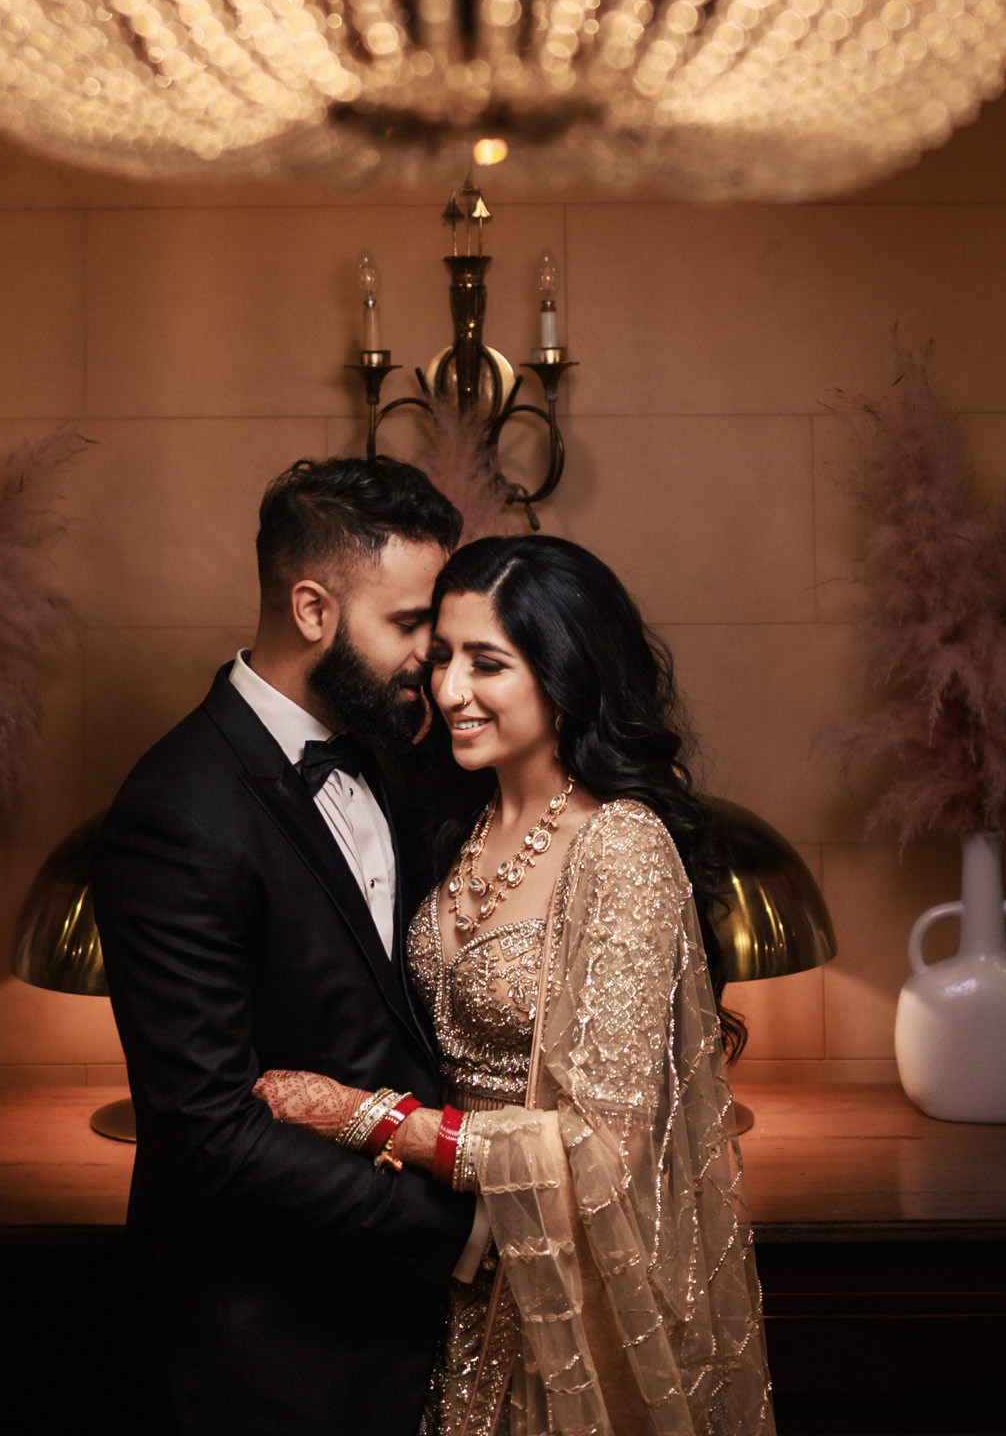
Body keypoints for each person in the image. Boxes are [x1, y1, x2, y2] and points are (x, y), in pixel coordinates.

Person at [255, 533, 776, 1436]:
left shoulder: (620, 847)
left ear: (564, 672)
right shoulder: (448, 821)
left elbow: (600, 1151)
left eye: (486, 663)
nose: (448, 689)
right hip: (443, 1278)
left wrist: (370, 1119)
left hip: (571, 1295)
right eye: (443, 656)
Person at [92, 455, 484, 1436]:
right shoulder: (175, 812)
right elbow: (211, 1136)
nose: (430, 658)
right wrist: (471, 1229)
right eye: (406, 624)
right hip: (268, 1358)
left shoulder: (402, 750)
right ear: (313, 610)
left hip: (412, 1341)